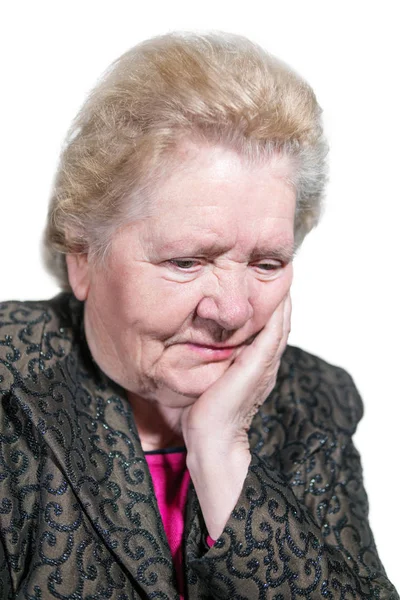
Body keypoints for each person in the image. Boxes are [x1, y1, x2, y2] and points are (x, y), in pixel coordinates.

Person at [0, 31, 397, 600]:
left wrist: (222, 448)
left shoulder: (313, 399)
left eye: (266, 263)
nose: (232, 311)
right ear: (82, 258)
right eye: (186, 261)